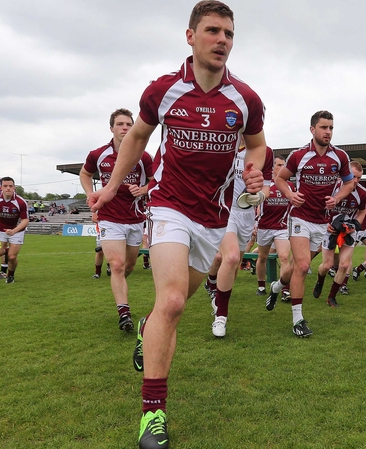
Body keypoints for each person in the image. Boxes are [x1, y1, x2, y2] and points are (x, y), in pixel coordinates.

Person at [88, 3, 265, 447]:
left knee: (171, 306)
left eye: (228, 33)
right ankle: (152, 417)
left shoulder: (245, 99)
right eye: (212, 31)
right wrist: (110, 188)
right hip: (169, 207)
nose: (222, 40)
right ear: (190, 36)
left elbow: (258, 146)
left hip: (213, 216)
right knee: (172, 303)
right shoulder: (163, 91)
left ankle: (147, 330)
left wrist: (255, 169)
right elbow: (138, 138)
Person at [265, 110, 354, 336]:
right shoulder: (299, 155)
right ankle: (298, 320)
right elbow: (280, 179)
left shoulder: (340, 157)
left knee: (297, 267)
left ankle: (276, 287)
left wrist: (338, 198)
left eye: (331, 128)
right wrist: (289, 195)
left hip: (322, 222)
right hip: (300, 217)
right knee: (304, 266)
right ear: (313, 129)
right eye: (324, 127)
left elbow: (349, 184)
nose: (328, 132)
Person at [80, 108, 154, 333]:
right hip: (109, 216)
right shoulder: (98, 154)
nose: (125, 128)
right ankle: (124, 313)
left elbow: (155, 181)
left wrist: (142, 190)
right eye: (120, 124)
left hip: (135, 217)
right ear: (111, 128)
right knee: (118, 265)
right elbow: (85, 174)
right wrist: (89, 193)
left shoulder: (144, 156)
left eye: (129, 124)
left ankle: (118, 280)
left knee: (128, 265)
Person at [208, 142, 273, 338]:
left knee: (234, 265)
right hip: (223, 209)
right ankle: (221, 315)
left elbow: (267, 188)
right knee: (231, 257)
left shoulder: (265, 152)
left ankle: (216, 290)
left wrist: (259, 197)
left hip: (246, 213)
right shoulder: (222, 143)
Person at [312, 161, 366, 307]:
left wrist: (355, 226)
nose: (356, 181)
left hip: (348, 231)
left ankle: (331, 297)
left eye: (359, 178)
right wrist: (326, 225)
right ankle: (320, 281)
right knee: (327, 265)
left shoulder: (362, 193)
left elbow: (362, 212)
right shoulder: (331, 188)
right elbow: (318, 207)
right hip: (329, 229)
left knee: (344, 265)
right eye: (353, 176)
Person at [255, 156, 294, 298]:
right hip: (265, 226)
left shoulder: (290, 186)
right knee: (262, 257)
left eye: (284, 165)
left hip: (282, 227)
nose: (282, 167)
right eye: (279, 165)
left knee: (284, 257)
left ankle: (284, 289)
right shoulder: (264, 185)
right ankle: (261, 285)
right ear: (272, 168)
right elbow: (255, 206)